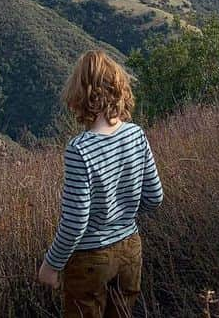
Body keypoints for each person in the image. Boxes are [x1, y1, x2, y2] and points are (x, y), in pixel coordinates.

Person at [37, 49, 164, 317]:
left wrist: (51, 265)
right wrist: (120, 216)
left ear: (80, 96)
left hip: (90, 258)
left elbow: (75, 222)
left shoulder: (80, 149)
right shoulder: (136, 135)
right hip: (130, 248)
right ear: (118, 88)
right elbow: (155, 197)